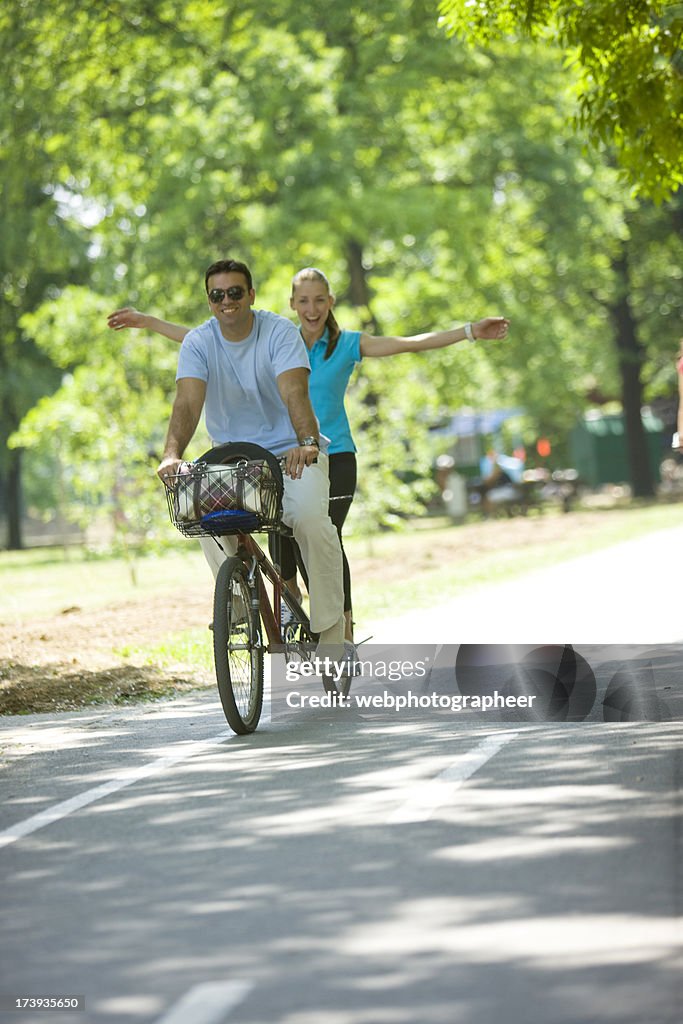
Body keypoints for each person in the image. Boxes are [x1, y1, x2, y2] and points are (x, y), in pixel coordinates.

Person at [109, 269, 510, 638]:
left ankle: (337, 628)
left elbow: (402, 346)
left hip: (317, 452)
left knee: (317, 531)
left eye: (319, 300)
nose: (311, 308)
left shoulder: (329, 342)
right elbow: (204, 341)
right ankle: (263, 602)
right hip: (251, 457)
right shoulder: (266, 334)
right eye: (304, 301)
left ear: (328, 302)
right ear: (292, 304)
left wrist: (469, 331)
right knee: (228, 523)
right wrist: (148, 323)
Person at [153, 257, 345, 650]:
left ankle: (330, 632)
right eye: (217, 294)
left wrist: (307, 442)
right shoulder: (199, 342)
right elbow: (188, 403)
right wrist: (172, 455)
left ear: (251, 295)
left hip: (289, 455)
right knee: (197, 506)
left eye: (235, 292)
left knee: (312, 520)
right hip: (234, 461)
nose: (227, 300)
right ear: (209, 300)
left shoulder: (278, 332)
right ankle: (236, 599)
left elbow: (295, 392)